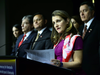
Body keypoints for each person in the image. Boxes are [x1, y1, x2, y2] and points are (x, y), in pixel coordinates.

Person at [50, 10, 86, 75]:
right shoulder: (58, 40)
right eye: (54, 23)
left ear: (67, 21)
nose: (56, 25)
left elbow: (78, 63)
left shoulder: (76, 38)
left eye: (58, 21)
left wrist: (60, 64)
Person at [79, 1, 100, 75]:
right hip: (81, 69)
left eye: (84, 11)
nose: (81, 14)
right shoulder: (80, 28)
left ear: (92, 12)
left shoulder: (98, 26)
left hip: (95, 69)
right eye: (80, 12)